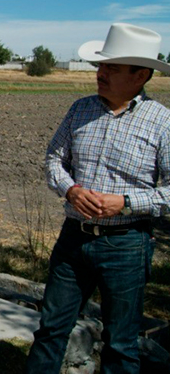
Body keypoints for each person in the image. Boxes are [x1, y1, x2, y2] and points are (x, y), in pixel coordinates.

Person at [25, 23, 170, 374]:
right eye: (101, 66)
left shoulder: (162, 123)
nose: (100, 73)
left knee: (121, 342)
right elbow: (53, 159)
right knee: (50, 329)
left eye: (111, 68)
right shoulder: (80, 109)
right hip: (74, 238)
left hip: (127, 245)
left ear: (141, 75)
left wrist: (125, 203)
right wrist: (71, 190)